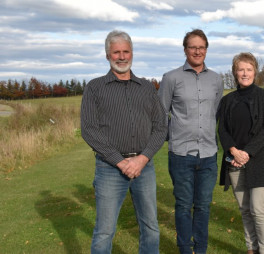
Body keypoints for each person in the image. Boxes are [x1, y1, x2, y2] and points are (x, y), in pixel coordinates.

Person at [81, 30, 167, 254]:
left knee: (151, 227)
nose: (121, 57)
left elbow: (160, 126)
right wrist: (120, 162)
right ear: (107, 55)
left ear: (132, 53)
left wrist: (142, 158)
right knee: (105, 231)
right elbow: (89, 130)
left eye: (125, 51)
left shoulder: (147, 88)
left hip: (144, 168)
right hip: (109, 169)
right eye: (116, 52)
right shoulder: (95, 88)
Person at [158, 29, 224, 254]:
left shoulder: (216, 79)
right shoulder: (171, 78)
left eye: (201, 47)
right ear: (185, 49)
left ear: (206, 49)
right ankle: (185, 249)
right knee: (184, 206)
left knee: (203, 206)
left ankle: (201, 249)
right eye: (193, 47)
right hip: (181, 155)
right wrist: (174, 135)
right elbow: (160, 115)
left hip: (208, 154)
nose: (197, 51)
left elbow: (215, 112)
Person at [217, 52, 264, 254]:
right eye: (240, 69)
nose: (244, 73)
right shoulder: (228, 100)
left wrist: (247, 153)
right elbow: (222, 130)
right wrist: (233, 151)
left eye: (248, 69)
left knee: (258, 210)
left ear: (255, 72)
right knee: (244, 209)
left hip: (259, 159)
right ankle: (251, 248)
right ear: (234, 72)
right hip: (234, 160)